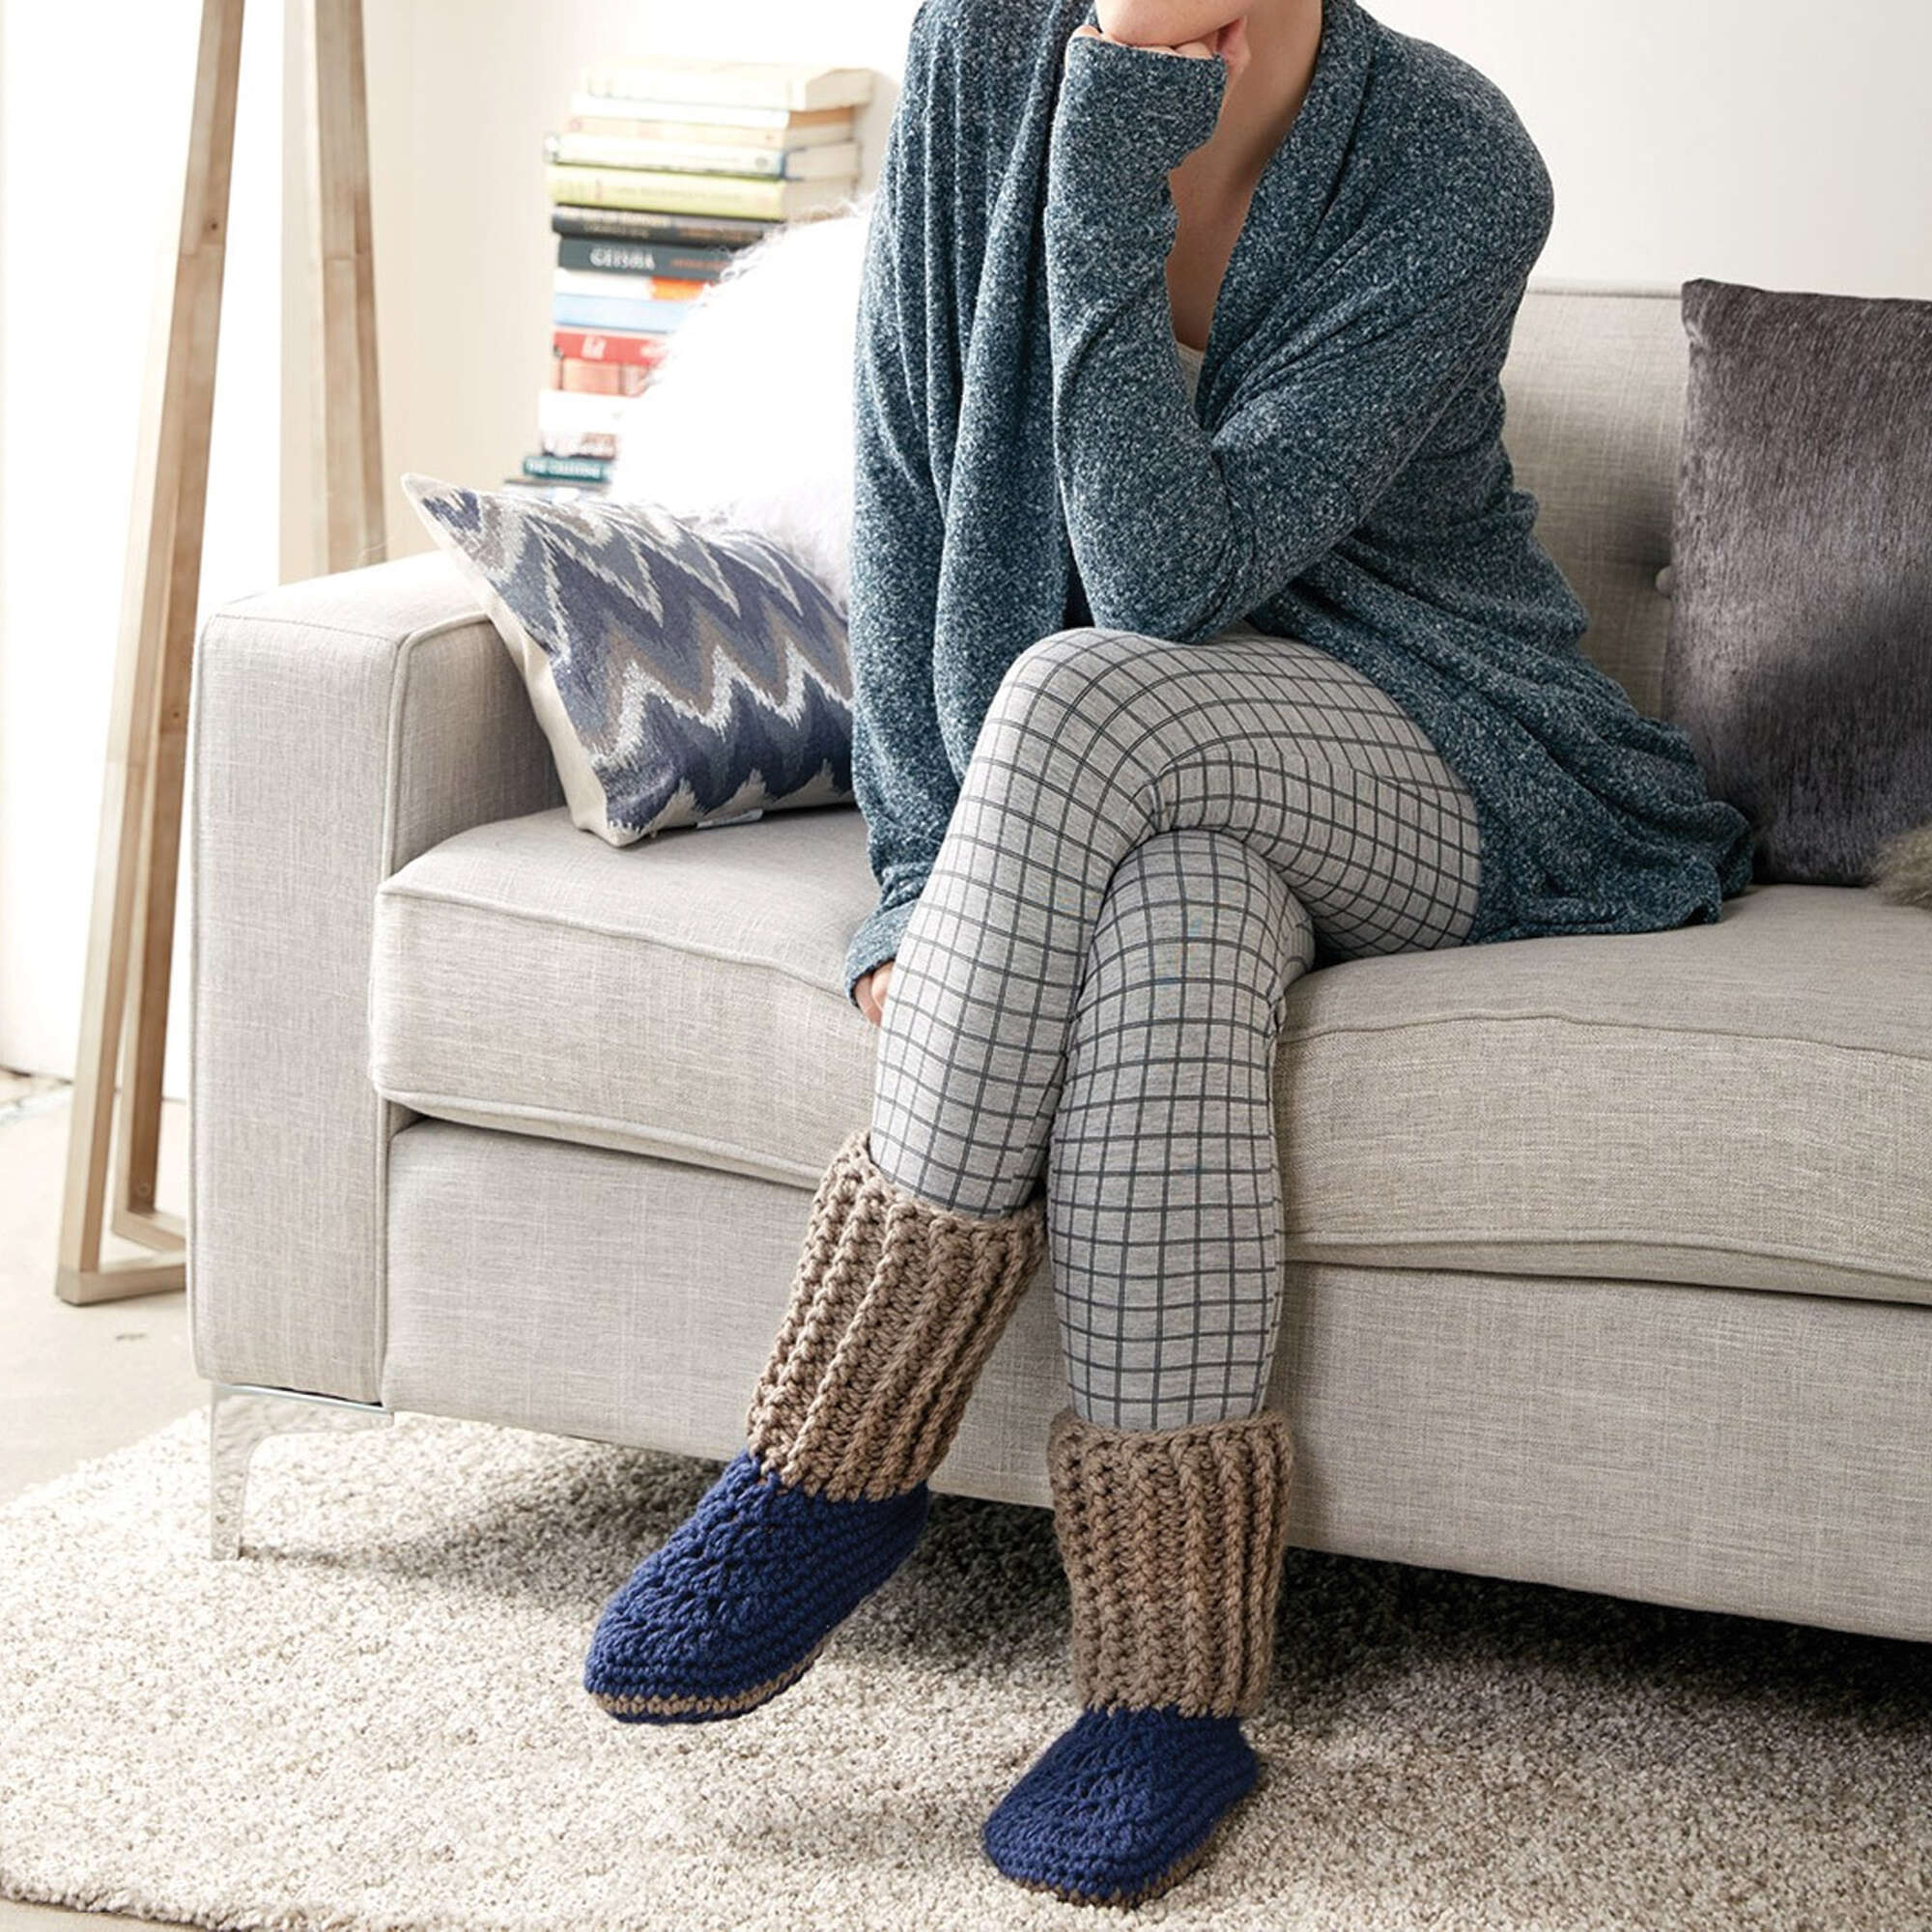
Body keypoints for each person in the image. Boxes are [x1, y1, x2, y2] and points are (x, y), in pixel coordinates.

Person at [581, 0, 1756, 1910]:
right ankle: (1167, 1696)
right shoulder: (981, 45)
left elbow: (1162, 583)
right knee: (1172, 927)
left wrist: (1113, 139)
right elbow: (912, 478)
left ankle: (831, 1449)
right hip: (1162, 787)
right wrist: (919, 879)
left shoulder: (1452, 158)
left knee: (1082, 693)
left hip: (1448, 746)